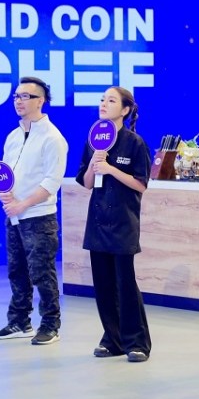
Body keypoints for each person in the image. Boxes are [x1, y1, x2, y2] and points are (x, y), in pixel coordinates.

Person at [75, 86, 152, 363]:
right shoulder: (93, 140)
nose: (103, 104)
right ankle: (112, 338)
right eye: (102, 100)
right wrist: (94, 165)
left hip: (123, 222)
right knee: (103, 285)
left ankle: (137, 342)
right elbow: (86, 184)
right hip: (97, 223)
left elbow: (141, 184)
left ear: (125, 109)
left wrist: (111, 169)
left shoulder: (135, 143)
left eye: (111, 100)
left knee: (125, 284)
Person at [0, 76, 68, 345]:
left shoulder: (53, 138)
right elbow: (5, 174)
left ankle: (50, 324)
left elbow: (51, 182)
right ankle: (19, 321)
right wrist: (5, 195)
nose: (19, 101)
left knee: (42, 272)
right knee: (17, 270)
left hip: (39, 217)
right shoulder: (12, 137)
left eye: (26, 96)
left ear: (40, 101)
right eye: (16, 96)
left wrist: (22, 204)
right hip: (14, 216)